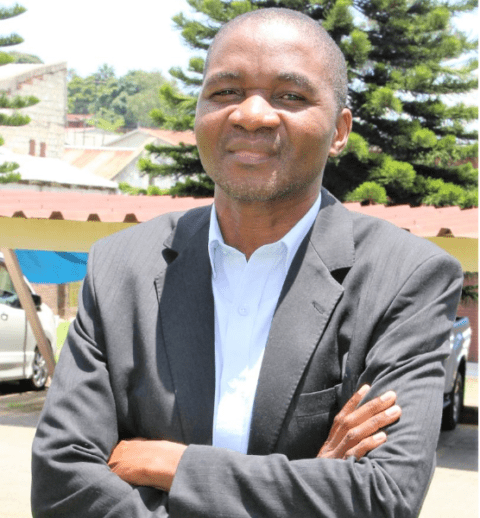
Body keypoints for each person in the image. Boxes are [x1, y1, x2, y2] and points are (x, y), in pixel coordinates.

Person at [31, 8, 463, 518]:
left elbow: (381, 497)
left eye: (291, 96)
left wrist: (175, 465)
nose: (252, 114)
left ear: (340, 130)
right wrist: (308, 481)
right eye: (226, 91)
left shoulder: (405, 278)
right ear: (198, 113)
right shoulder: (120, 268)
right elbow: (60, 486)